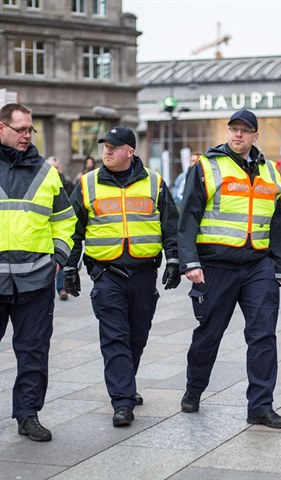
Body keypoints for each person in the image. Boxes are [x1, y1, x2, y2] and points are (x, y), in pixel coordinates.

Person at [178, 109, 281, 429]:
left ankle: (260, 406)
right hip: (215, 265)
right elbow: (188, 216)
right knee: (209, 334)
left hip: (258, 265)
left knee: (263, 336)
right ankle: (194, 388)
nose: (238, 135)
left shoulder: (270, 172)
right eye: (233, 129)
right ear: (227, 133)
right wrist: (190, 261)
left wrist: (278, 265)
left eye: (245, 130)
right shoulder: (207, 166)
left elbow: (276, 221)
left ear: (256, 136)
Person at [63, 125, 180, 427]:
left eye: (114, 147)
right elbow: (72, 230)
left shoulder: (154, 183)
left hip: (143, 273)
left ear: (131, 151)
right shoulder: (87, 183)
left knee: (137, 336)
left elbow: (170, 224)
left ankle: (125, 381)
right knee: (114, 336)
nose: (107, 151)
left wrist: (174, 260)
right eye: (105, 146)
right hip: (106, 273)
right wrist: (69, 267)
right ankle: (122, 400)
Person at [0, 103, 76, 441]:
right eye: (20, 129)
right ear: (1, 128)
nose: (26, 135)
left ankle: (28, 415)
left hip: (35, 280)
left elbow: (65, 220)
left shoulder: (47, 172)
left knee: (33, 352)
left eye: (30, 129)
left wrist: (58, 257)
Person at [47, 156, 75, 301]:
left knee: (60, 259)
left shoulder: (68, 185)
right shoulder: (42, 181)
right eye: (51, 166)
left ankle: (61, 288)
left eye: (56, 167)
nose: (54, 170)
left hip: (60, 231)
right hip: (44, 233)